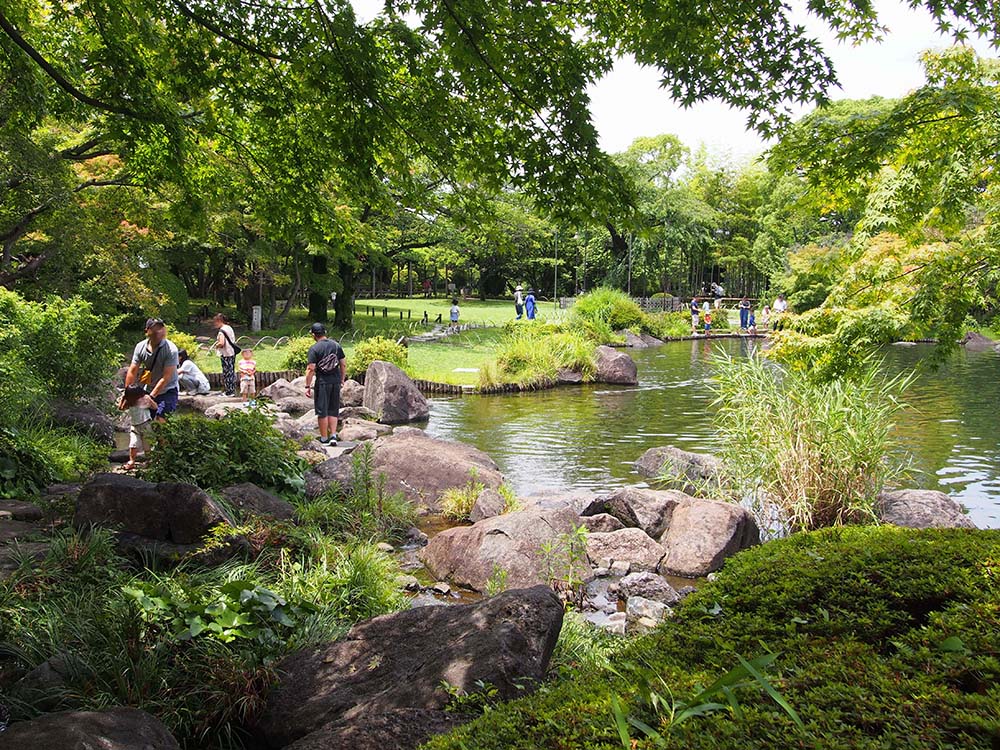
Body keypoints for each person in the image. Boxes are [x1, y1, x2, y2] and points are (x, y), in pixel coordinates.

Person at [124, 318, 179, 421]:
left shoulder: (171, 350)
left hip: (168, 390)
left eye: (161, 328)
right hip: (148, 388)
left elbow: (166, 377)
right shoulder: (140, 347)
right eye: (155, 328)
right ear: (147, 331)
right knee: (144, 421)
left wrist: (151, 398)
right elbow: (132, 370)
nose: (158, 331)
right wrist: (128, 394)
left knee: (160, 419)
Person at [304, 322, 346, 445]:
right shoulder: (336, 346)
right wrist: (342, 379)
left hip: (322, 382)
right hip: (335, 382)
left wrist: (307, 386)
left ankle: (323, 438)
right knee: (333, 409)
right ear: (325, 333)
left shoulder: (314, 349)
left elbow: (311, 368)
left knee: (322, 411)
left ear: (313, 335)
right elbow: (343, 363)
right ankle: (333, 435)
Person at [120, 384, 159, 471]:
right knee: (133, 444)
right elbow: (121, 408)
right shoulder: (129, 401)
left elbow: (155, 407)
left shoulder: (145, 399)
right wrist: (123, 398)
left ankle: (149, 461)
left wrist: (150, 401)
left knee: (147, 446)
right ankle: (131, 461)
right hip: (135, 426)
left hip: (146, 425)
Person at [211, 313, 238, 396]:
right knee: (231, 371)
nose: (214, 324)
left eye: (215, 322)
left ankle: (229, 392)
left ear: (219, 321)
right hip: (232, 353)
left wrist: (216, 345)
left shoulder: (222, 330)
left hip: (226, 354)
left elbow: (222, 343)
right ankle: (232, 390)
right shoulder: (229, 328)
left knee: (227, 373)